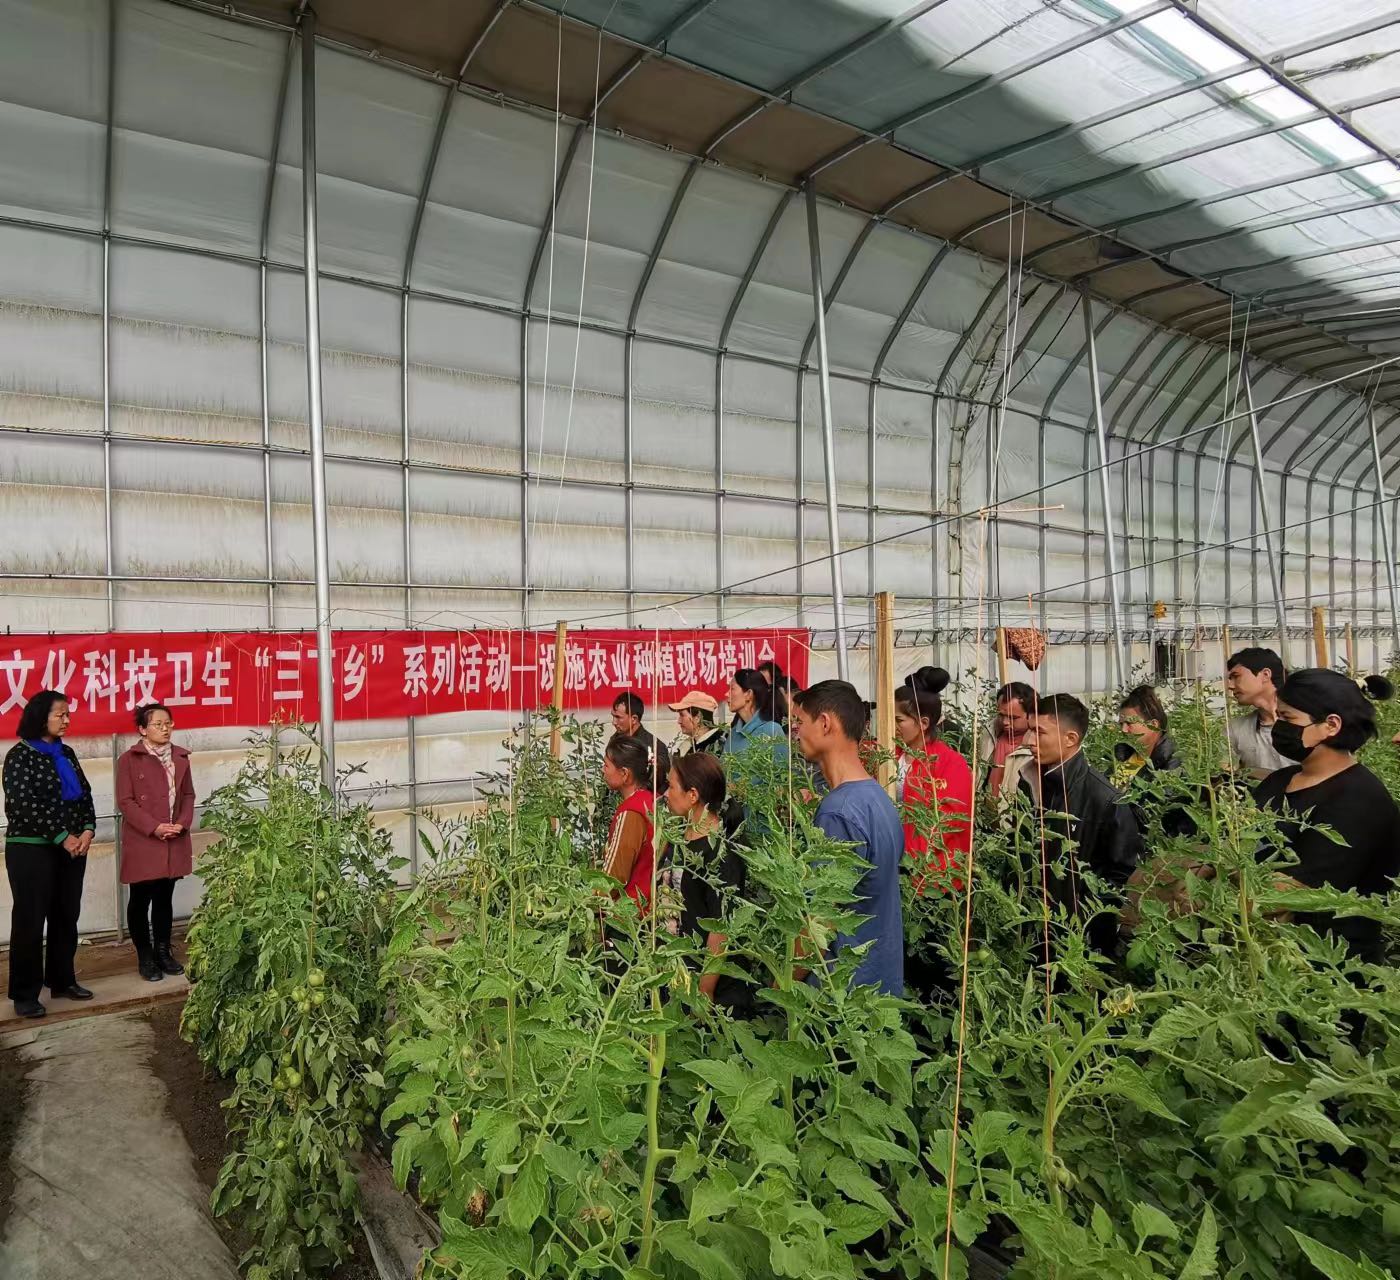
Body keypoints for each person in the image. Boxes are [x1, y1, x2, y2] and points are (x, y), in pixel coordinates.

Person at [1254, 669, 1400, 963]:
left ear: (1331, 725)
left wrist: (1221, 876)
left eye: (1288, 717)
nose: (1278, 726)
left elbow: (1281, 894)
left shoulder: (1360, 800)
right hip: (1268, 957)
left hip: (1330, 966)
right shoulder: (1279, 780)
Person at [791, 680, 905, 995]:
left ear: (825, 723)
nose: (796, 733)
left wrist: (786, 982)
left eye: (800, 722)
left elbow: (821, 921)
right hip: (878, 984)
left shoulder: (838, 812)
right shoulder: (878, 798)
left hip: (842, 992)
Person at [1018, 693, 1143, 952]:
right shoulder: (1029, 782)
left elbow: (1120, 874)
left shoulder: (1105, 800)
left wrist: (1083, 916)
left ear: (1071, 738)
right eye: (1029, 730)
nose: (1028, 740)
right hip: (1032, 928)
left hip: (1079, 939)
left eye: (1039, 732)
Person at [3, 691, 97, 1018]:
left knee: (65, 915)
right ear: (41, 717)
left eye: (68, 714)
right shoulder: (20, 756)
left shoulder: (66, 753)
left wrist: (87, 830)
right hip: (31, 850)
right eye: (61, 715)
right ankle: (25, 993)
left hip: (72, 848)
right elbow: (23, 805)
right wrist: (61, 836)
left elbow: (84, 795)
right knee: (30, 920)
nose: (67, 720)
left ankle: (62, 980)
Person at [657, 753, 749, 1010]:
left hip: (710, 988)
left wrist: (705, 990)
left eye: (671, 786)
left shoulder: (722, 852)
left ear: (693, 795)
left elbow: (721, 927)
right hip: (679, 974)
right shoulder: (679, 837)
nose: (665, 794)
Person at [116, 703, 196, 982]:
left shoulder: (180, 757)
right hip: (145, 838)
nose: (165, 729)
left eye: (168, 723)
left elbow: (188, 795)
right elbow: (126, 801)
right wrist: (154, 827)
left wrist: (182, 823)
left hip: (173, 836)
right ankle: (145, 956)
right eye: (158, 724)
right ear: (142, 729)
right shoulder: (129, 759)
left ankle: (163, 951)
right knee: (140, 898)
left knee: (164, 896)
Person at [894, 668, 972, 889]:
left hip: (933, 874)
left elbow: (948, 822)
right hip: (899, 866)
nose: (892, 726)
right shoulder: (892, 756)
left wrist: (907, 858)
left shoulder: (950, 763)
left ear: (923, 723)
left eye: (899, 720)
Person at [601, 733, 658, 909]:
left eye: (606, 765)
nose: (603, 770)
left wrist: (590, 900)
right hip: (650, 904)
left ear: (625, 773)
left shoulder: (631, 812)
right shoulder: (652, 799)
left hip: (631, 911)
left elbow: (615, 876)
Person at [1225, 647, 1289, 780]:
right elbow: (1226, 775)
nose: (1230, 686)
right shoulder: (1235, 728)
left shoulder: (1306, 721)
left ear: (1265, 675)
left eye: (1236, 676)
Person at [722, 669, 788, 765]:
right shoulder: (734, 733)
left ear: (748, 694)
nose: (727, 694)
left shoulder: (772, 731)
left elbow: (782, 769)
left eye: (732, 689)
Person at [983, 681, 1036, 797]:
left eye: (1013, 718)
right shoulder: (990, 733)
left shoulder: (1037, 747)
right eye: (1001, 715)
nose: (1005, 722)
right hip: (987, 806)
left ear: (1031, 715)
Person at [669, 691, 724, 757]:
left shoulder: (719, 744)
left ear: (697, 717)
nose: (679, 721)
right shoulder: (691, 745)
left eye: (682, 715)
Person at [611, 691, 656, 755]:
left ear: (634, 719)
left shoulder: (654, 747)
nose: (614, 722)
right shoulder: (614, 739)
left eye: (618, 717)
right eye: (613, 716)